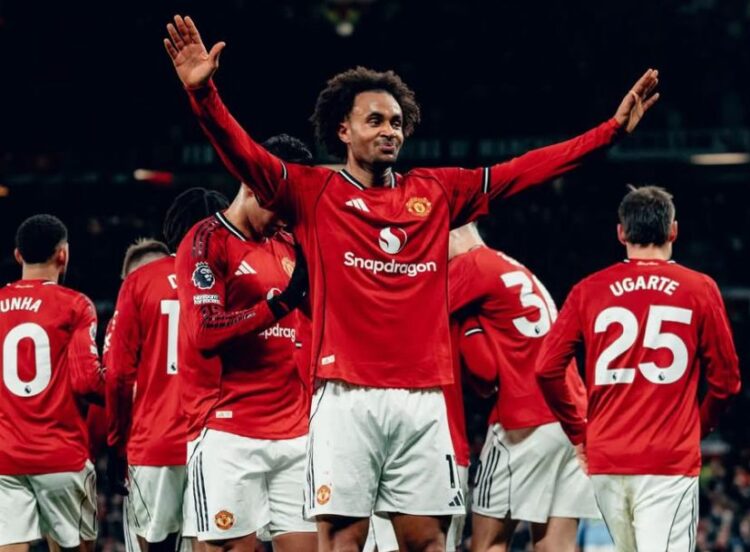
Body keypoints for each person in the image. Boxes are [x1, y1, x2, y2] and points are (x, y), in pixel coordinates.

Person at [163, 14, 659, 550]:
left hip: (423, 400)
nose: (390, 131)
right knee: (343, 541)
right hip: (344, 396)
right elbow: (241, 153)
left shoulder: (437, 192)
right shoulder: (312, 192)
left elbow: (526, 170)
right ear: (343, 130)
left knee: (428, 543)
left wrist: (608, 133)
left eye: (397, 122)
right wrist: (203, 94)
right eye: (375, 120)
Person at [536, 186, 741, 551]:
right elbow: (726, 383)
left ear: (621, 233)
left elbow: (546, 369)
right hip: (668, 460)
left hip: (607, 458)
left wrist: (579, 433)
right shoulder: (699, 288)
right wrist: (698, 427)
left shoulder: (589, 289)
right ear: (673, 230)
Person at [176, 135, 315, 552]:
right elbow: (205, 330)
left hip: (294, 432)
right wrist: (280, 304)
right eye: (280, 205)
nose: (285, 217)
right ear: (254, 184)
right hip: (228, 432)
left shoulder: (288, 243)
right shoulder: (206, 241)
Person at [447, 223, 598, 552]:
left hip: (525, 420)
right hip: (574, 418)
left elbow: (482, 372)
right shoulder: (510, 266)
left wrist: (467, 332)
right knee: (556, 546)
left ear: (453, 232)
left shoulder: (468, 267)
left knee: (489, 543)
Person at [105, 189, 229, 552]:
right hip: (220, 437)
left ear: (173, 228)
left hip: (155, 440)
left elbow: (118, 374)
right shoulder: (237, 277)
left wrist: (116, 442)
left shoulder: (141, 281)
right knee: (210, 541)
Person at [0, 214, 104, 552]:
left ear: (18, 255)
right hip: (60, 453)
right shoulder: (75, 305)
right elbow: (87, 382)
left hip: (4, 456)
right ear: (63, 254)